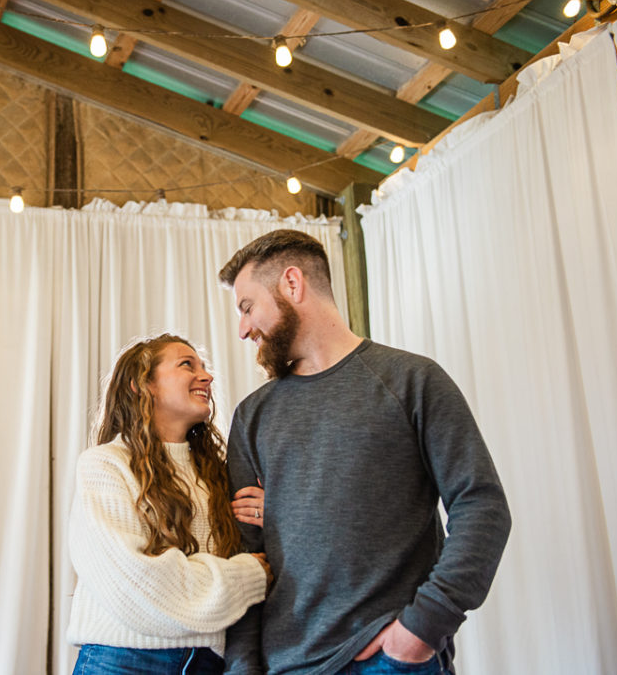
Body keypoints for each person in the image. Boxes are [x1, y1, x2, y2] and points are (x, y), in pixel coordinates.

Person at [218, 230, 511, 675]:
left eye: (247, 307)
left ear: (292, 284)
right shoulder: (251, 417)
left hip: (391, 658)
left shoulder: (413, 380)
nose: (242, 329)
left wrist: (422, 628)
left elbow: (482, 506)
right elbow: (245, 562)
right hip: (285, 666)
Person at [68, 334, 274, 674]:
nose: (206, 376)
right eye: (186, 365)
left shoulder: (218, 475)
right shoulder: (105, 465)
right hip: (122, 661)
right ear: (141, 385)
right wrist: (251, 574)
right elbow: (138, 588)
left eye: (205, 367)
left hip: (209, 664)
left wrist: (273, 515)